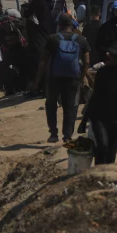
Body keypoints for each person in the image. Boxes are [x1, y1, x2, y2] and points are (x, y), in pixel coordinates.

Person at [35, 14, 88, 143]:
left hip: (54, 77)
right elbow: (87, 62)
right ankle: (67, 135)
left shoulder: (52, 39)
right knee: (70, 106)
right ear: (72, 25)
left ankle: (53, 133)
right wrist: (82, 78)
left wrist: (37, 81)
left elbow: (43, 61)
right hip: (73, 78)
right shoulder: (81, 39)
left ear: (59, 24)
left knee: (51, 104)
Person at [85, 42, 117, 164]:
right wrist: (85, 120)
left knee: (111, 151)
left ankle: (106, 172)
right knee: (102, 146)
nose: (111, 58)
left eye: (115, 56)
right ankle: (98, 171)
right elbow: (95, 96)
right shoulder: (103, 72)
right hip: (100, 116)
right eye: (111, 55)